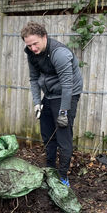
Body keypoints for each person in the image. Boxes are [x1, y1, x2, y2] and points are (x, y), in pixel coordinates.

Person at [21, 21, 83, 187]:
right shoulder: (31, 53)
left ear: (44, 37)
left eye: (35, 43)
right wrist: (37, 103)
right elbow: (34, 79)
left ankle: (63, 177)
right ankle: (49, 170)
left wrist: (63, 112)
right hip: (49, 94)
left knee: (63, 136)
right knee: (47, 134)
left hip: (67, 94)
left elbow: (67, 85)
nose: (33, 48)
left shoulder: (59, 54)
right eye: (29, 45)